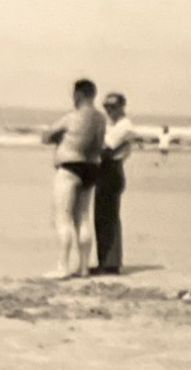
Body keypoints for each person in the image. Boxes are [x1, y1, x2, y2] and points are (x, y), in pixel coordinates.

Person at [41, 78, 106, 279]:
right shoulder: (100, 118)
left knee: (63, 218)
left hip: (69, 167)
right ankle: (84, 267)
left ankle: (63, 266)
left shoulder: (71, 117)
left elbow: (46, 137)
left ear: (78, 94)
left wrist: (58, 139)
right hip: (91, 167)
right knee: (83, 218)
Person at [93, 92, 134, 275]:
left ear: (122, 107)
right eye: (106, 106)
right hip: (106, 169)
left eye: (113, 106)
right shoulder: (113, 124)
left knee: (108, 217)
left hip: (112, 169)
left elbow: (106, 147)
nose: (109, 110)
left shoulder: (124, 126)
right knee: (102, 216)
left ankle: (111, 264)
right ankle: (106, 261)